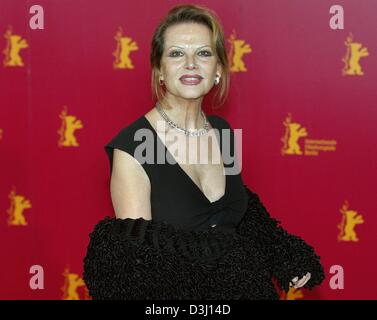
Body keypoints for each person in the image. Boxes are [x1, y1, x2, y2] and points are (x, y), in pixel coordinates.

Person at [83, 4, 325, 300]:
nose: (190, 64)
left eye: (203, 53)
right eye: (176, 54)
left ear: (219, 70)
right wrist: (231, 271)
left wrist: (284, 253)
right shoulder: (133, 148)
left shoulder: (222, 131)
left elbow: (238, 213)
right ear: (159, 70)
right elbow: (139, 272)